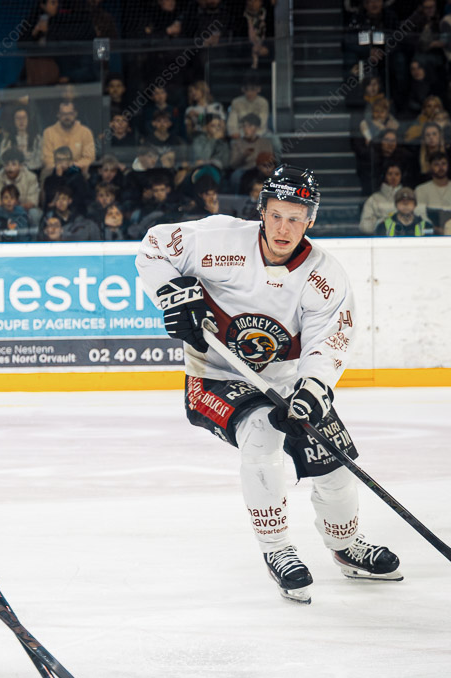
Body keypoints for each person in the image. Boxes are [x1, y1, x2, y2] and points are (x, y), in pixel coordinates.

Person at [134, 167, 402, 604]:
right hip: (215, 375)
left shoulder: (324, 276)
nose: (283, 228)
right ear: (261, 211)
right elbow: (153, 247)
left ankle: (346, 544)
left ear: (311, 220)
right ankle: (277, 549)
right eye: (276, 215)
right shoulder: (219, 240)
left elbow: (329, 342)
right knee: (262, 433)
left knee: (333, 463)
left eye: (295, 218)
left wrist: (312, 391)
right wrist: (173, 292)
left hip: (288, 380)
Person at [41, 101, 96, 172]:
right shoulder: (48, 132)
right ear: (58, 115)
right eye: (63, 114)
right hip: (55, 173)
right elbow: (47, 158)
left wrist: (72, 167)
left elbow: (89, 158)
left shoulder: (86, 132)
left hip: (79, 172)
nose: (67, 117)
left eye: (70, 113)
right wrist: (59, 168)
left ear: (75, 114)